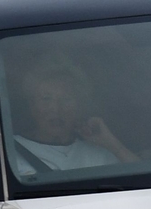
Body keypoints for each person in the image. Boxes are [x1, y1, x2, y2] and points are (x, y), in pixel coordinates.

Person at [7, 55, 135, 175]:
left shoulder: (97, 155)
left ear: (80, 106)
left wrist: (113, 145)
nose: (56, 108)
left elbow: (141, 181)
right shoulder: (9, 151)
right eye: (46, 99)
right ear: (32, 106)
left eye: (66, 99)